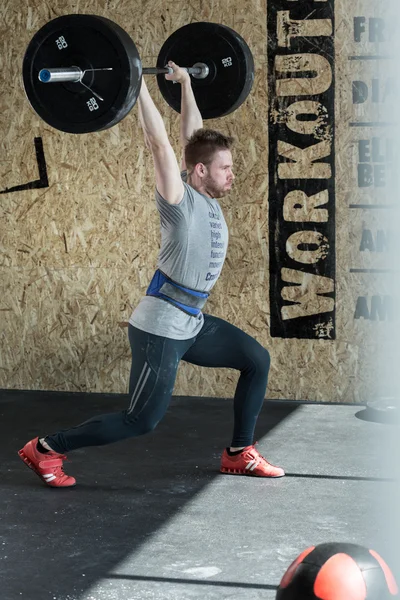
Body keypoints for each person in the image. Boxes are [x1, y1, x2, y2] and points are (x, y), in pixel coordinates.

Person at [18, 62, 285, 487]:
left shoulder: (205, 195)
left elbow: (190, 136)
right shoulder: (178, 200)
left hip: (192, 322)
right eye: (226, 169)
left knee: (256, 359)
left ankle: (239, 452)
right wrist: (137, 82)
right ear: (201, 171)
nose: (232, 175)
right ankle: (47, 448)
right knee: (141, 421)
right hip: (161, 326)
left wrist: (186, 84)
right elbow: (161, 144)